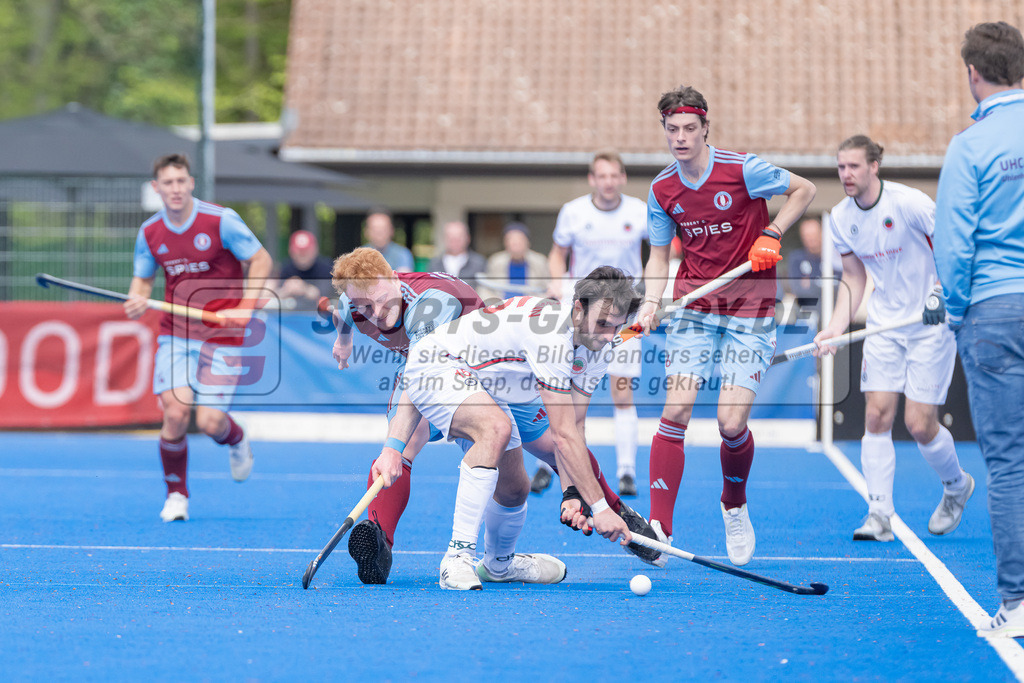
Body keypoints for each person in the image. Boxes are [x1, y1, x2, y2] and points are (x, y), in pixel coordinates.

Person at [334, 253, 661, 585]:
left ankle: (498, 566)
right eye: (603, 324)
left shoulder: (597, 348)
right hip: (440, 363)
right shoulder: (551, 338)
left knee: (515, 487)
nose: (609, 335)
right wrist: (600, 508)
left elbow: (574, 429)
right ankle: (455, 557)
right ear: (578, 308)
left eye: (616, 327)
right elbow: (562, 434)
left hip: (493, 382)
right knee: (492, 428)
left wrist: (573, 492)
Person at [638, 85, 816, 567]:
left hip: (751, 309)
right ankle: (659, 529)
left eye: (689, 129)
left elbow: (805, 189)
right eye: (672, 130)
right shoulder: (661, 190)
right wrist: (651, 302)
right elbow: (658, 258)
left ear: (705, 128)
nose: (680, 138)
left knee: (730, 422)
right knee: (675, 410)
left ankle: (733, 504)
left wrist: (773, 232)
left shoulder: (743, 169)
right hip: (694, 308)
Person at [813, 134, 974, 544]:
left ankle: (956, 486)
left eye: (853, 166)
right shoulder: (840, 218)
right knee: (876, 416)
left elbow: (950, 250)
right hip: (885, 325)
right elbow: (853, 277)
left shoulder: (910, 204)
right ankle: (879, 514)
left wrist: (941, 292)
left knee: (919, 424)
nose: (846, 174)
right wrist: (834, 327)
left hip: (930, 326)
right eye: (841, 166)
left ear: (874, 166)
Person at [933, 21, 1024, 638]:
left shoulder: (971, 146)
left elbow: (956, 246)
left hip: (994, 311)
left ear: (974, 73)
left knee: (1010, 462)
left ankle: (1018, 604)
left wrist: (955, 309)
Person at [124, 153, 273, 522]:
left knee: (209, 423)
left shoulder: (221, 220)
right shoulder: (150, 232)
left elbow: (262, 260)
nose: (175, 189)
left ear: (190, 183)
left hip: (222, 335)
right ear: (156, 188)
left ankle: (236, 438)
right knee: (175, 413)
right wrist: (136, 297)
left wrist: (246, 306)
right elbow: (143, 278)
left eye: (181, 181)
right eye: (167, 183)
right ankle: (177, 495)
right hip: (176, 332)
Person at [540, 150, 649, 498]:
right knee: (559, 388)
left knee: (622, 391)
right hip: (579, 316)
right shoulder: (573, 212)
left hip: (624, 316)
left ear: (622, 178)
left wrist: (654, 296)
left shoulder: (639, 211)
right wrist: (556, 282)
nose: (607, 182)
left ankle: (627, 471)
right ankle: (550, 464)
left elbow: (663, 251)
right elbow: (557, 253)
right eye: (601, 176)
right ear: (592, 179)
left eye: (614, 176)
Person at [480, 222, 549, 301]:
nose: (515, 243)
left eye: (519, 239)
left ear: (527, 242)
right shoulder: (496, 261)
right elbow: (485, 288)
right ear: (505, 243)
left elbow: (548, 288)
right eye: (511, 239)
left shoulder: (540, 261)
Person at [272, 230, 334, 308]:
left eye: (306, 250)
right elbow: (276, 294)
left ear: (315, 250)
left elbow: (326, 294)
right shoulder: (286, 268)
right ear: (291, 251)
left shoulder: (326, 267)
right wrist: (286, 290)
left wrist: (303, 288)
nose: (302, 254)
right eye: (299, 250)